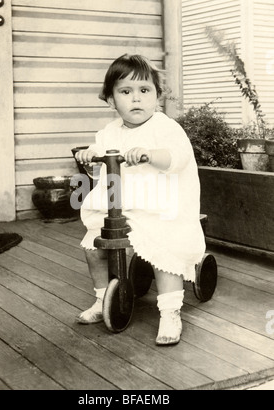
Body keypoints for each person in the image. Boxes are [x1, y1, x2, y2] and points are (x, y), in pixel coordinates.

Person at [74, 54, 205, 345]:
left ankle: (170, 312)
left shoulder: (165, 127)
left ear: (157, 96)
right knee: (95, 246)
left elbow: (177, 157)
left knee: (165, 250)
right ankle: (101, 299)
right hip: (122, 207)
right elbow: (100, 152)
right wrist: (89, 153)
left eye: (144, 91)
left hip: (162, 207)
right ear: (111, 101)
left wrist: (149, 153)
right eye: (125, 92)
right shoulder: (110, 131)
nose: (136, 99)